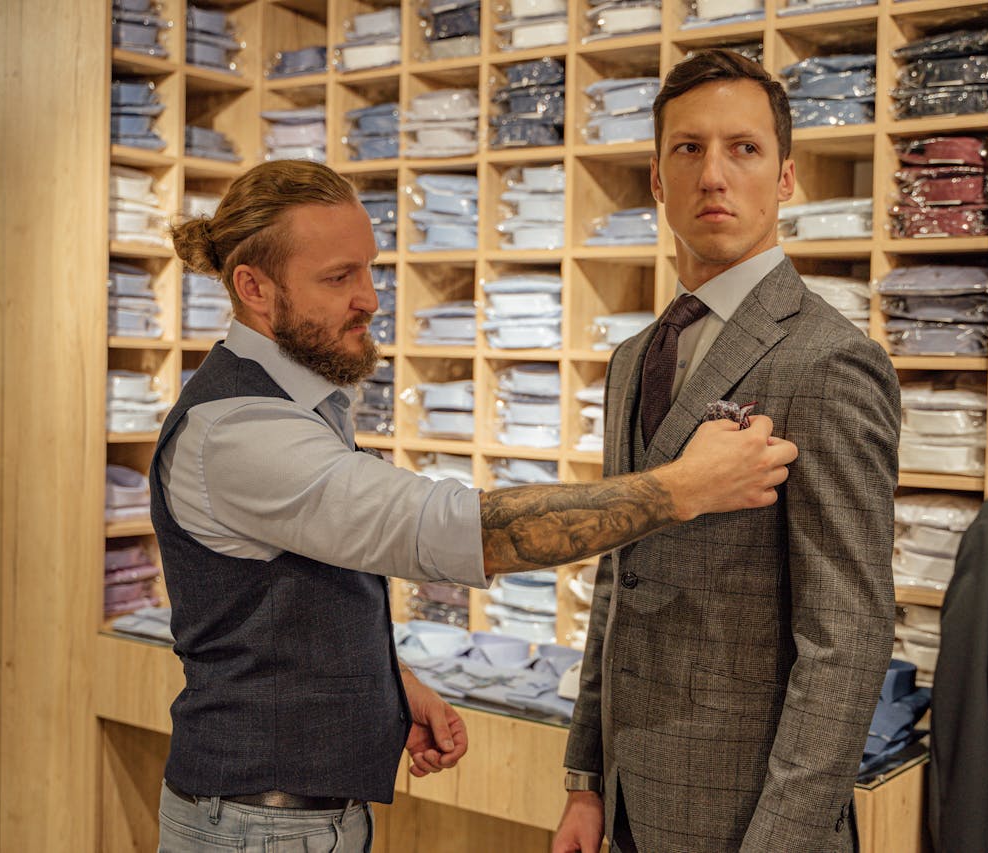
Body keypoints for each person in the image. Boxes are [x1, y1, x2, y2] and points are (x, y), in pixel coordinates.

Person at [151, 158, 798, 852]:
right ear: (253, 287)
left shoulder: (294, 401)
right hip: (258, 826)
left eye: (370, 270)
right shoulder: (240, 430)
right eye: (339, 277)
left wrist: (384, 680)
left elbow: (295, 584)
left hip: (286, 819)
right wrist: (682, 487)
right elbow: (457, 529)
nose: (370, 298)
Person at [552, 50, 900, 853]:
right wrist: (587, 780)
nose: (714, 175)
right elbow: (619, 572)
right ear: (655, 179)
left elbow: (845, 636)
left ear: (784, 178)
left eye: (744, 148)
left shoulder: (828, 360)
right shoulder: (634, 357)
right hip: (635, 804)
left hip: (749, 819)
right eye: (689, 149)